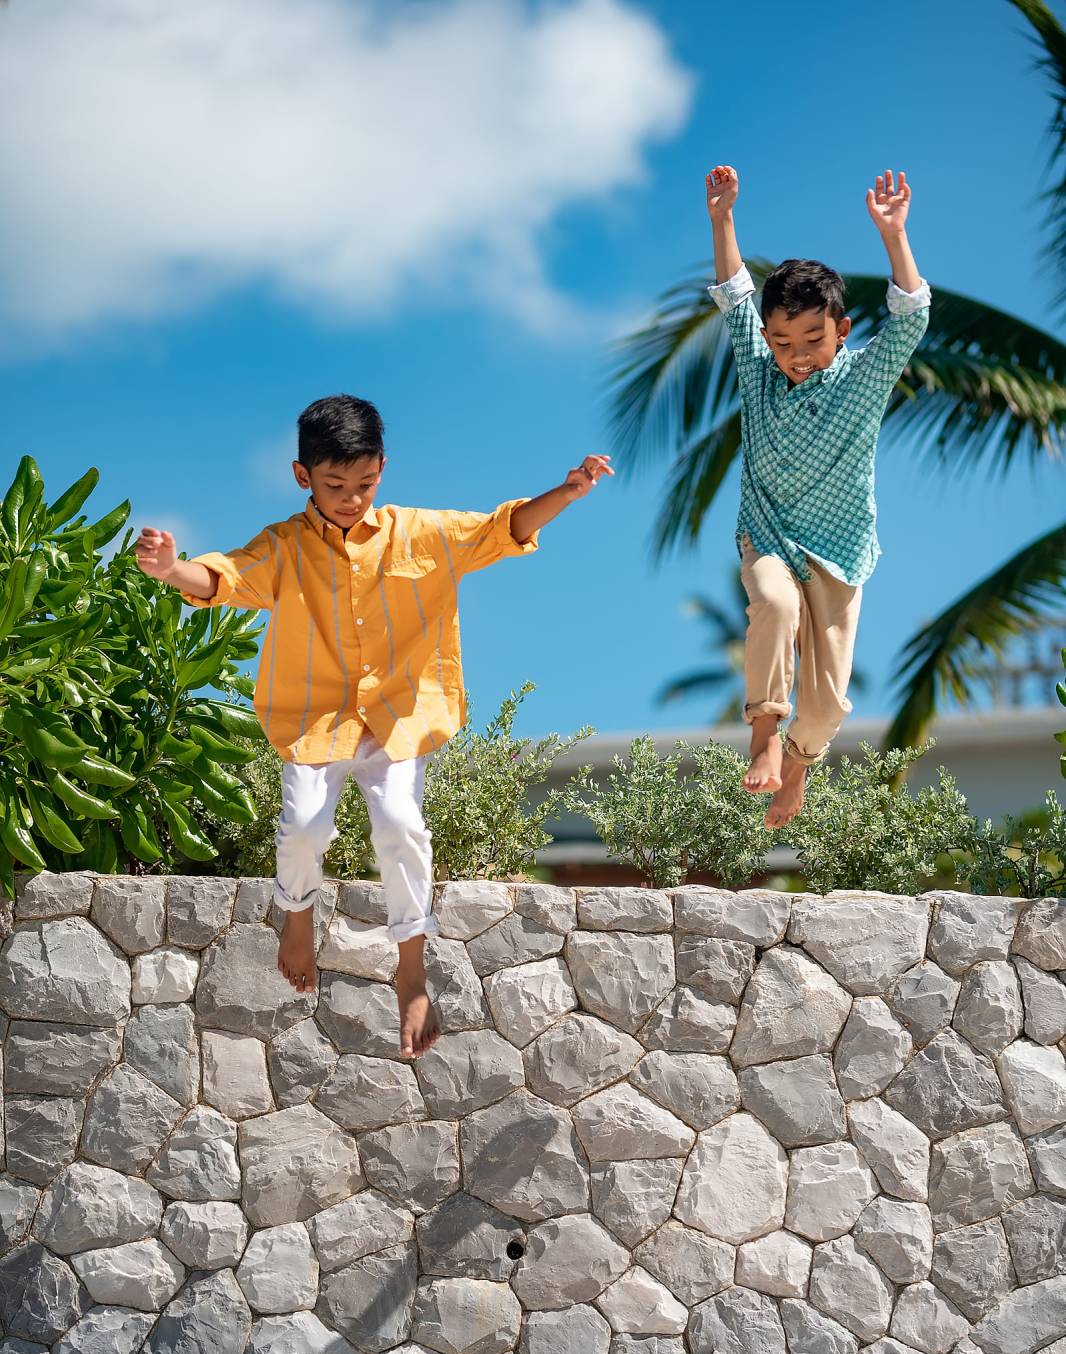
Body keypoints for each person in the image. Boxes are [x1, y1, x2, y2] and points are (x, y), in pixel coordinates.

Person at [136, 394, 612, 1056]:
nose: (351, 498)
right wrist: (170, 569)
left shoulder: (421, 533)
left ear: (382, 469)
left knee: (400, 826)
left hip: (398, 715)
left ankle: (411, 970)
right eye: (334, 485)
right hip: (315, 717)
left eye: (364, 484)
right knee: (305, 826)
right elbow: (224, 578)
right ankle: (297, 917)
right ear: (302, 476)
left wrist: (567, 491)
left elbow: (501, 529)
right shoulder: (285, 547)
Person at [705, 164, 930, 827]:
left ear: (843, 330)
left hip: (838, 551)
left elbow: (911, 318)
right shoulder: (758, 369)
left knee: (828, 702)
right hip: (767, 535)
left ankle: (798, 766)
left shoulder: (864, 380)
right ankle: (764, 734)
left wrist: (894, 237)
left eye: (812, 339)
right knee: (773, 603)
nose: (796, 354)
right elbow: (734, 294)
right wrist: (723, 217)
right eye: (782, 342)